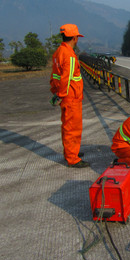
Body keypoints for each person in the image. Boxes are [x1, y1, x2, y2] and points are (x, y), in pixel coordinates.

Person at [50, 24, 89, 168]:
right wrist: (61, 94)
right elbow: (66, 78)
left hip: (66, 96)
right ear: (74, 38)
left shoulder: (58, 52)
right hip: (71, 97)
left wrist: (55, 91)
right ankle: (73, 158)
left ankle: (72, 152)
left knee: (68, 126)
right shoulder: (70, 55)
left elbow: (55, 75)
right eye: (77, 37)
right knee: (73, 128)